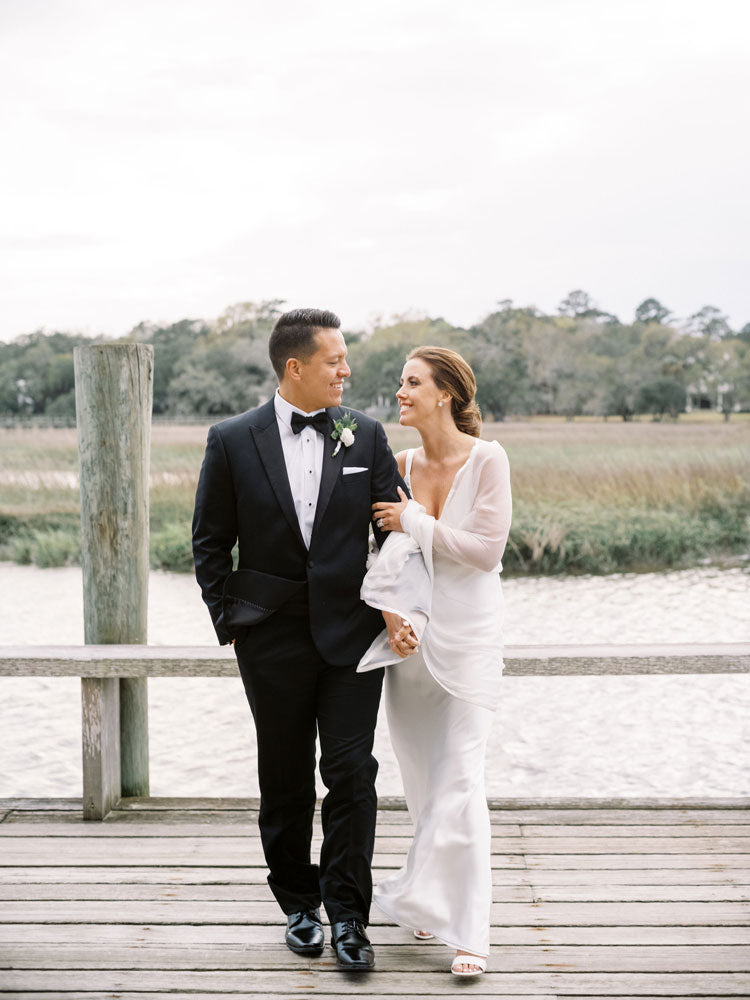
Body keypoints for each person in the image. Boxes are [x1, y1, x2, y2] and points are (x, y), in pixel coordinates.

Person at [192, 308, 408, 971]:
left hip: (353, 637)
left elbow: (393, 535)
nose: (347, 370)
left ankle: (349, 917)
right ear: (296, 366)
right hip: (270, 640)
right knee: (284, 775)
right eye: (335, 360)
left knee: (352, 774)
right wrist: (232, 621)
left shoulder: (365, 436)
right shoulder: (232, 439)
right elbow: (209, 543)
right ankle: (297, 903)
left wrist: (399, 607)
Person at [361, 345, 512, 977]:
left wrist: (415, 519)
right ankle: (427, 894)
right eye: (401, 382)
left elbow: (485, 551)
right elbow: (388, 565)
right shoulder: (397, 464)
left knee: (461, 785)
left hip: (470, 643)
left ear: (445, 393)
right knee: (423, 786)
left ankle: (470, 932)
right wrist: (395, 622)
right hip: (411, 652)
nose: (400, 392)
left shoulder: (489, 459)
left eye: (412, 382)